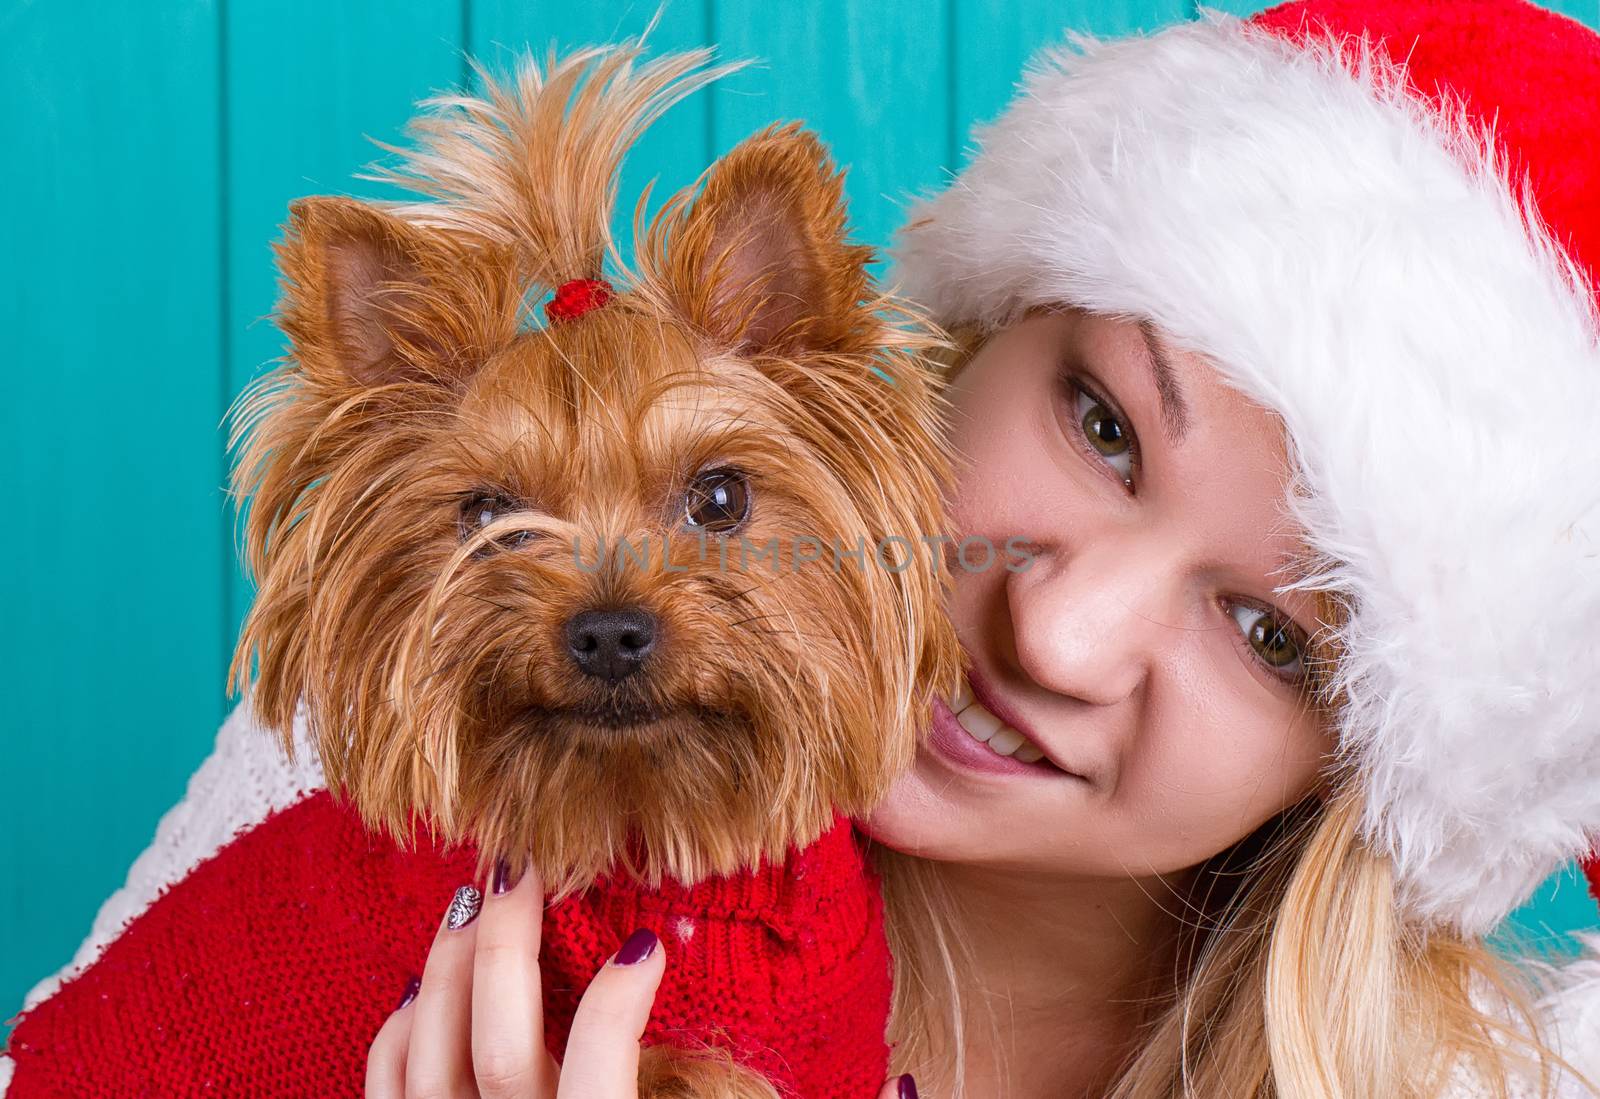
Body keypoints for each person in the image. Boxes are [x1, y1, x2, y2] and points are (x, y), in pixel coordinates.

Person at [6, 1, 1600, 1097]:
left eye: (1275, 637)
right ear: (958, 343)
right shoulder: (387, 762)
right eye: (1104, 426)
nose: (1061, 636)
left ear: (1371, 769)